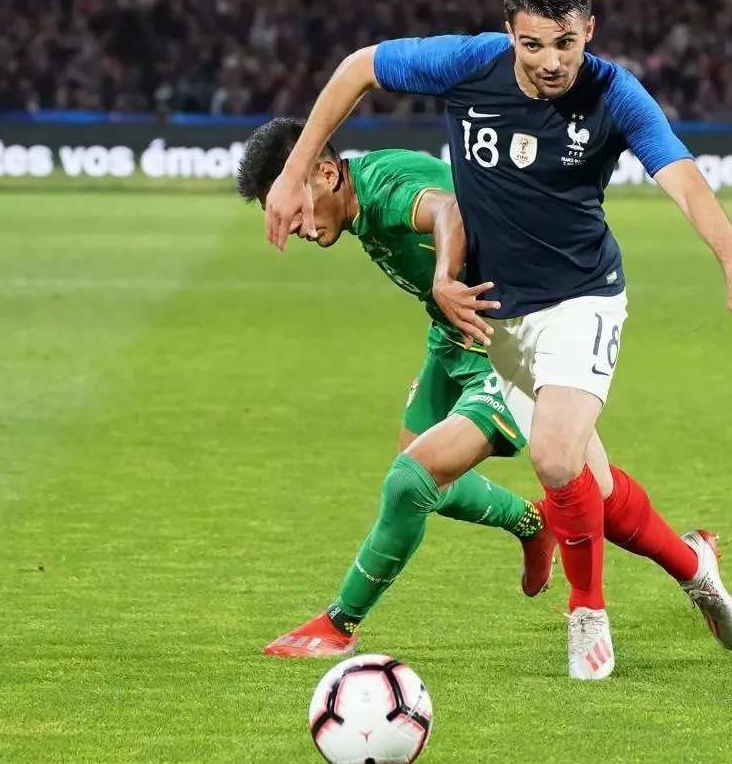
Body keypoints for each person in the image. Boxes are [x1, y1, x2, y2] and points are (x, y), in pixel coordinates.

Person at [263, 0, 732, 680]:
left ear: (588, 31)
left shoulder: (614, 93)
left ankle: (587, 612)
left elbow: (684, 179)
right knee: (595, 492)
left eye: (565, 43)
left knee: (554, 458)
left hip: (583, 299)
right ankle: (694, 564)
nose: (550, 62)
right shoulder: (468, 64)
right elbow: (358, 67)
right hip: (503, 321)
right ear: (510, 32)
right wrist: (293, 171)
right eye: (533, 44)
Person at [237, 119, 556, 657]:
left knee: (411, 482)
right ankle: (533, 522)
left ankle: (339, 623)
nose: (292, 225)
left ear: (326, 174)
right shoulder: (357, 201)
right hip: (454, 335)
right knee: (423, 479)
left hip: (511, 339)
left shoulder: (383, 189)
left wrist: (444, 280)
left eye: (291, 205)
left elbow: (450, 208)